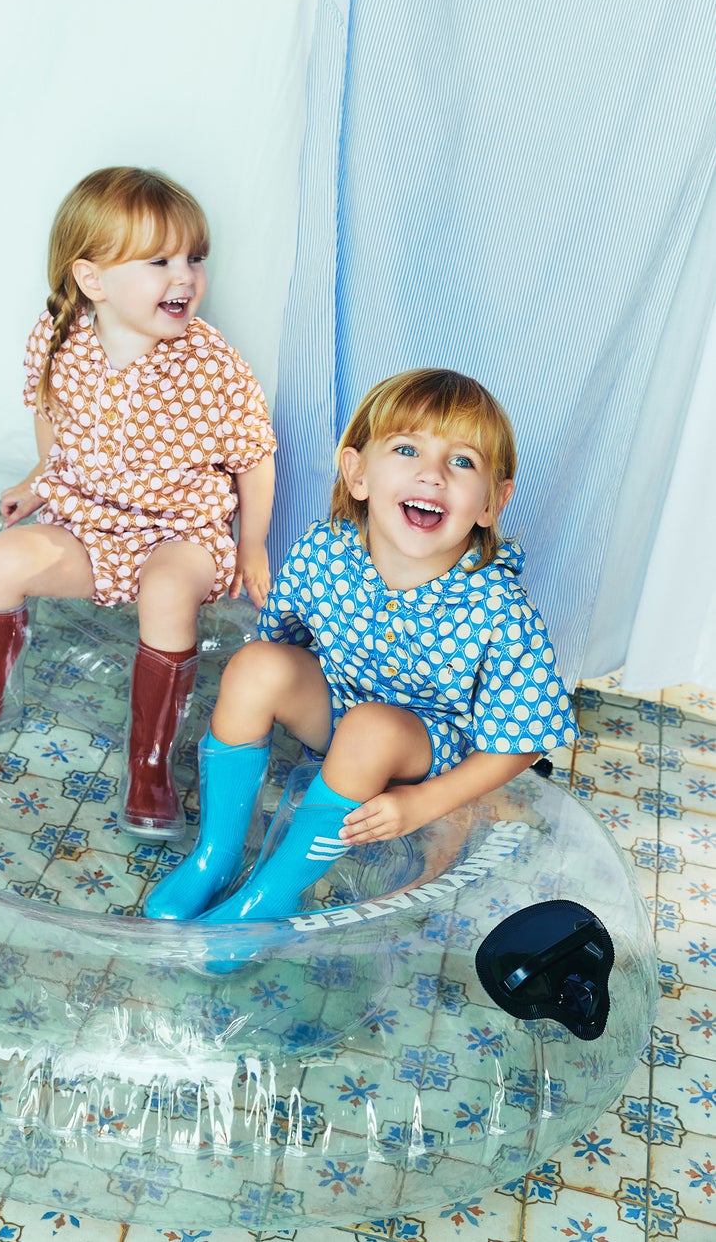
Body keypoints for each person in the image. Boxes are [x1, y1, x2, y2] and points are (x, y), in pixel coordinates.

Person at [0, 167, 276, 841]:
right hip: (89, 520)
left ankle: (150, 761)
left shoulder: (212, 365)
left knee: (165, 591)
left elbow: (255, 456)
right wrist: (42, 476)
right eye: (158, 262)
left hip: (180, 532)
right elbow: (51, 409)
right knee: (4, 559)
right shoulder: (61, 336)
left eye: (193, 259)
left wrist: (252, 544)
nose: (184, 277)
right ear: (93, 280)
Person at [145, 366, 579, 922]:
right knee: (256, 665)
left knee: (371, 728)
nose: (432, 475)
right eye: (406, 450)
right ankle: (218, 855)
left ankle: (273, 894)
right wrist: (278, 692)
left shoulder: (499, 608)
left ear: (493, 502)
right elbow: (284, 642)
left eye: (462, 462)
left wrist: (425, 801)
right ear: (357, 473)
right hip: (340, 710)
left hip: (425, 747)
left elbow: (525, 739)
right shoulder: (326, 550)